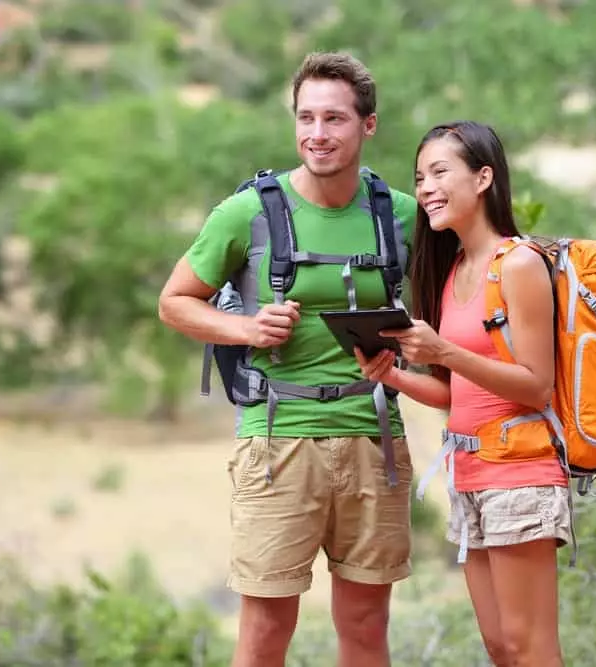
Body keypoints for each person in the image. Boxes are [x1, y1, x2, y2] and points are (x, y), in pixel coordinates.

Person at [157, 52, 418, 667]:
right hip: (277, 440)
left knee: (364, 626)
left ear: (368, 126)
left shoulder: (401, 215)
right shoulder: (246, 211)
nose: (318, 134)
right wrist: (245, 328)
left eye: (334, 119)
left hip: (372, 436)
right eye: (306, 118)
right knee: (266, 628)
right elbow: (174, 303)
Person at [354, 120, 569, 667]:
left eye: (439, 172)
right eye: (419, 176)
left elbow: (535, 384)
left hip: (519, 473)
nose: (424, 187)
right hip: (468, 475)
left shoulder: (518, 264)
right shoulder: (450, 273)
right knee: (499, 647)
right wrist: (395, 374)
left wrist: (445, 352)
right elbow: (457, 394)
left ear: (483, 178)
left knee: (531, 648)